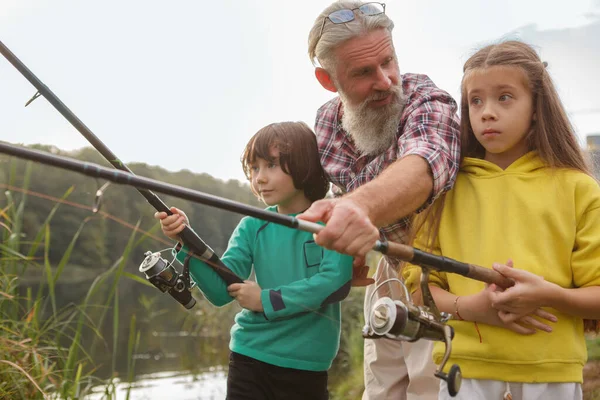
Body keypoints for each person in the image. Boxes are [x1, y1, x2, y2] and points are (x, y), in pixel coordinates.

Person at [402, 40, 600, 400]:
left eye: (504, 97)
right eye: (475, 101)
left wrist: (549, 295)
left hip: (552, 376)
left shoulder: (578, 189)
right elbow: (420, 289)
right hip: (463, 374)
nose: (486, 112)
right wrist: (472, 308)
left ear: (537, 107)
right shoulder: (444, 189)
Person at [299, 2, 461, 399]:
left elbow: (426, 163)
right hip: (385, 277)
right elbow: (342, 190)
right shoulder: (324, 123)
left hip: (442, 278)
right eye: (363, 72)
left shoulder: (425, 97)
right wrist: (347, 242)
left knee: (431, 390)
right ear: (327, 80)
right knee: (380, 391)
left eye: (389, 61)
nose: (386, 80)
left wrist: (357, 209)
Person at [155, 121, 353, 400]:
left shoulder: (333, 220)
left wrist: (267, 300)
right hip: (249, 355)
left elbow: (336, 283)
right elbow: (220, 291)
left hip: (306, 365)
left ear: (304, 165)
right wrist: (186, 242)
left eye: (271, 165)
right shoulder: (252, 226)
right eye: (254, 168)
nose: (259, 178)